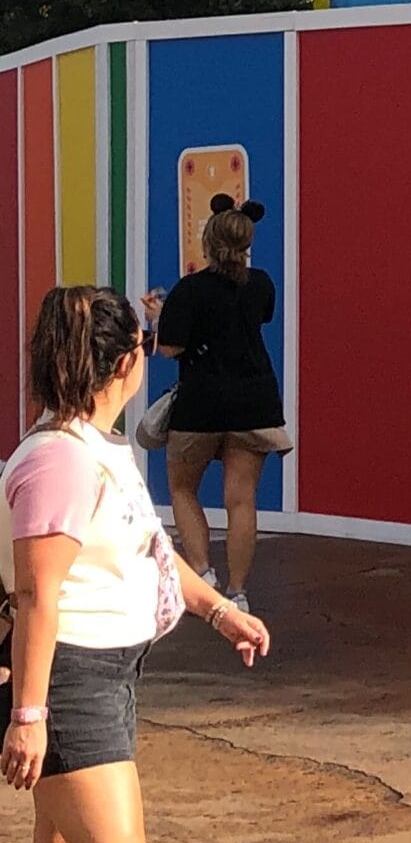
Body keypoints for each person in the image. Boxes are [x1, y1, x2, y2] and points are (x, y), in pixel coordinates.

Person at [4, 286, 271, 843]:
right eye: (144, 345)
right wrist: (29, 716)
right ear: (126, 363)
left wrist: (218, 610)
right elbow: (36, 595)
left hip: (100, 678)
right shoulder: (60, 462)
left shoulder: (97, 448)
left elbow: (146, 544)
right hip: (71, 685)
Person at [142, 201, 291, 610]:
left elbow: (171, 348)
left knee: (181, 487)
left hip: (200, 405)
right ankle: (237, 592)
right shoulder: (261, 284)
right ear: (247, 242)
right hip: (254, 403)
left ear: (207, 242)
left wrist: (160, 316)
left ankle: (204, 574)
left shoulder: (189, 289)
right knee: (241, 501)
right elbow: (252, 319)